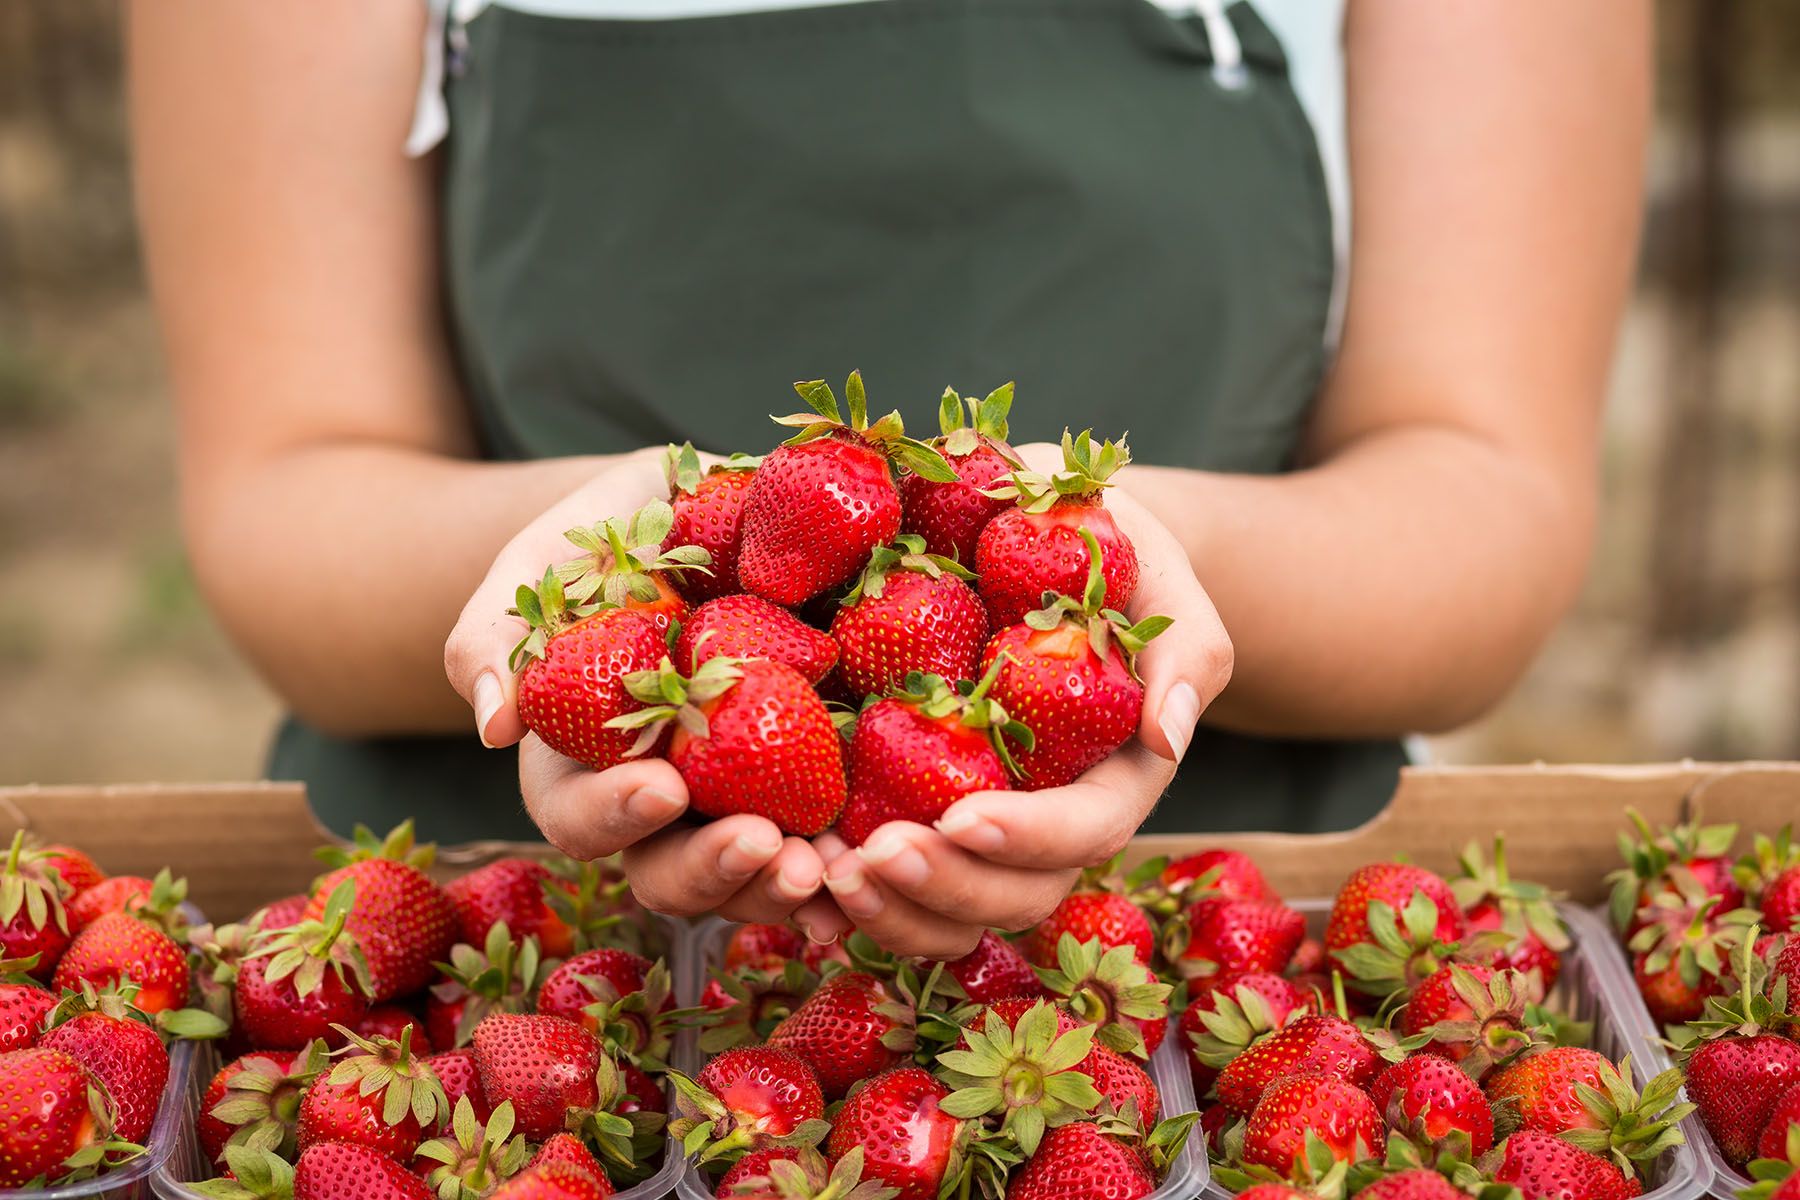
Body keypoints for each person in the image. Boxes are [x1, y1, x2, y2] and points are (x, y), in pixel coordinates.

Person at [131, 1, 1649, 958]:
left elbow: (1486, 494)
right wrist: (611, 585)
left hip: (1225, 944)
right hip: (519, 937)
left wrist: (1116, 550)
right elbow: (282, 498)